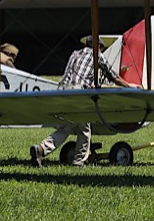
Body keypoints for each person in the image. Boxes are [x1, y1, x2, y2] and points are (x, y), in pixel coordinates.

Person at [30, 36, 140, 167]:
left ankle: (41, 149)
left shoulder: (75, 54)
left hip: (62, 92)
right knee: (85, 129)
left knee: (67, 127)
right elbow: (114, 76)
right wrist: (129, 86)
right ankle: (78, 161)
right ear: (98, 47)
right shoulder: (97, 55)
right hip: (79, 94)